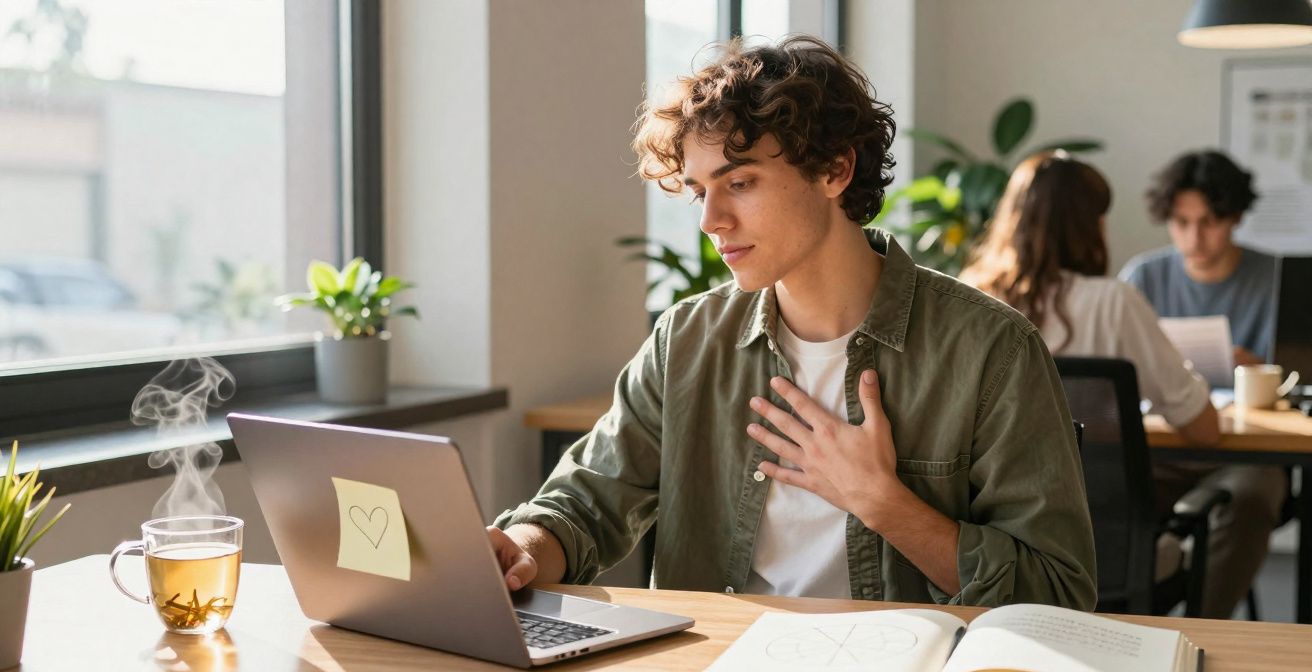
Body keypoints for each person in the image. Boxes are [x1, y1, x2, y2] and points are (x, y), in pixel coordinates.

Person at [487, 36, 1096, 610]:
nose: (712, 221)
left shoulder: (992, 349)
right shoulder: (688, 340)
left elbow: (1057, 592)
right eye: (700, 192)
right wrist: (523, 551)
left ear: (834, 170)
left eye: (741, 183)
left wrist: (882, 503)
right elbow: (586, 503)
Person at [962, 152, 1284, 618]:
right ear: (1089, 225)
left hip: (1001, 538)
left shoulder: (968, 298)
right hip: (1101, 529)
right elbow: (1202, 429)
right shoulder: (1113, 301)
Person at [1120, 150, 1277, 367]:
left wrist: (1261, 372)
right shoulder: (1142, 277)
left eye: (1209, 222)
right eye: (1182, 222)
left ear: (1236, 217)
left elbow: (1302, 378)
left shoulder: (1279, 279)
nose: (1194, 239)